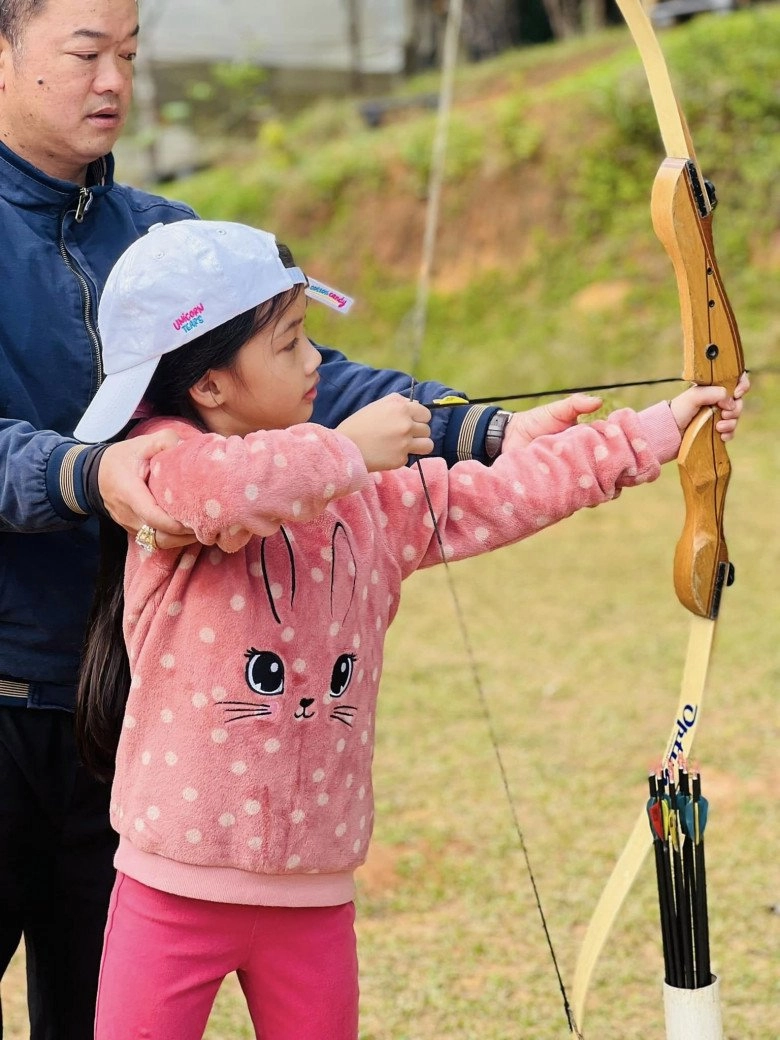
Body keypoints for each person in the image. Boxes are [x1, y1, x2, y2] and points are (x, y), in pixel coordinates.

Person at [0, 1, 537, 1036]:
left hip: (130, 720)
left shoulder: (166, 239)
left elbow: (303, 380)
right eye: (85, 52)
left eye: (130, 53)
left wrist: (489, 427)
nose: (113, 78)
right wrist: (88, 473)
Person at [74, 220, 746, 1040]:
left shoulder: (368, 503)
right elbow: (226, 492)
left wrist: (660, 429)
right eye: (288, 346)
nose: (317, 360)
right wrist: (348, 448)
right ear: (208, 386)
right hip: (170, 889)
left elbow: (503, 494)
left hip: (315, 890)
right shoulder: (160, 478)